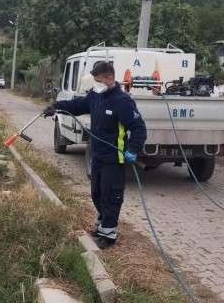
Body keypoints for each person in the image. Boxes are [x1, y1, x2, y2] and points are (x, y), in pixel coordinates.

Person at [43, 62, 147, 249]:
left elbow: (139, 128)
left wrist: (133, 149)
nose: (96, 83)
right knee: (97, 193)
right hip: (97, 155)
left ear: (109, 78)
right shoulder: (95, 96)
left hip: (114, 158)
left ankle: (108, 235)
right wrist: (55, 106)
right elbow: (76, 105)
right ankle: (101, 228)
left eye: (98, 80)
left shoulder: (122, 101)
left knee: (111, 195)